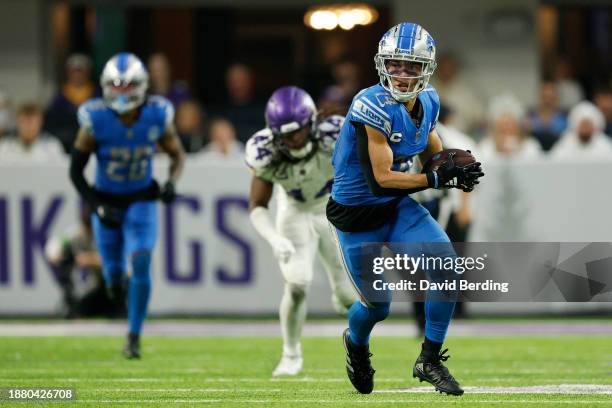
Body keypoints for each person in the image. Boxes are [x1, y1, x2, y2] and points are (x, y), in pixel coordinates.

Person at [326, 22, 483, 396]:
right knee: (378, 307)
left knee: (447, 267)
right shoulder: (369, 105)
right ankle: (356, 344)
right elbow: (381, 177)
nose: (401, 73)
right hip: (357, 217)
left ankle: (429, 359)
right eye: (395, 64)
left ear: (425, 68)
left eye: (411, 66)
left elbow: (429, 139)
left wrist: (449, 164)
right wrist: (435, 179)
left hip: (395, 207)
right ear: (382, 64)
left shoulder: (428, 100)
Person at [69, 52, 186, 359]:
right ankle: (114, 284)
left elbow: (177, 155)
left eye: (127, 85)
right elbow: (75, 171)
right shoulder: (95, 118)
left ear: (141, 85)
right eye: (115, 85)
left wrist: (172, 182)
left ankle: (133, 336)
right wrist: (95, 205)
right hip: (107, 200)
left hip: (141, 199)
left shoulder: (157, 114)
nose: (121, 92)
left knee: (142, 261)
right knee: (114, 278)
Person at [246, 86, 357, 376]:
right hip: (294, 210)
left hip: (331, 207)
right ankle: (291, 354)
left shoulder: (336, 133)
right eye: (283, 134)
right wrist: (274, 238)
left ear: (311, 122)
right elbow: (257, 204)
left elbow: (363, 166)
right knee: (297, 284)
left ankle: (341, 298)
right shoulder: (265, 150)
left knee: (348, 298)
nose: (291, 140)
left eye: (296, 132)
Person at [45, 54, 98, 152]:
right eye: (74, 71)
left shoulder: (97, 95)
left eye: (81, 71)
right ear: (68, 73)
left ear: (88, 73)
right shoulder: (60, 96)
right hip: (66, 145)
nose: (77, 75)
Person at [479, 94, 542, 162]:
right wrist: (498, 151)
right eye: (502, 126)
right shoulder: (486, 147)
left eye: (510, 125)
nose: (506, 129)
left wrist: (517, 153)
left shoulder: (531, 147)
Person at [0, 103, 65, 163]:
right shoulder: (5, 147)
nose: (28, 127)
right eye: (24, 122)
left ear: (40, 123)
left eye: (32, 122)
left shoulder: (52, 147)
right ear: (17, 123)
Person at [220, 63, 265, 143]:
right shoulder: (220, 111)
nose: (238, 85)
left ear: (250, 81)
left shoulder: (263, 110)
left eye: (241, 80)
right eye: (234, 81)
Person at [525, 81, 567, 151]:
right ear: (540, 97)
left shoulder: (564, 117)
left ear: (556, 97)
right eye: (545, 97)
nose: (547, 101)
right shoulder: (530, 116)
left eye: (551, 97)